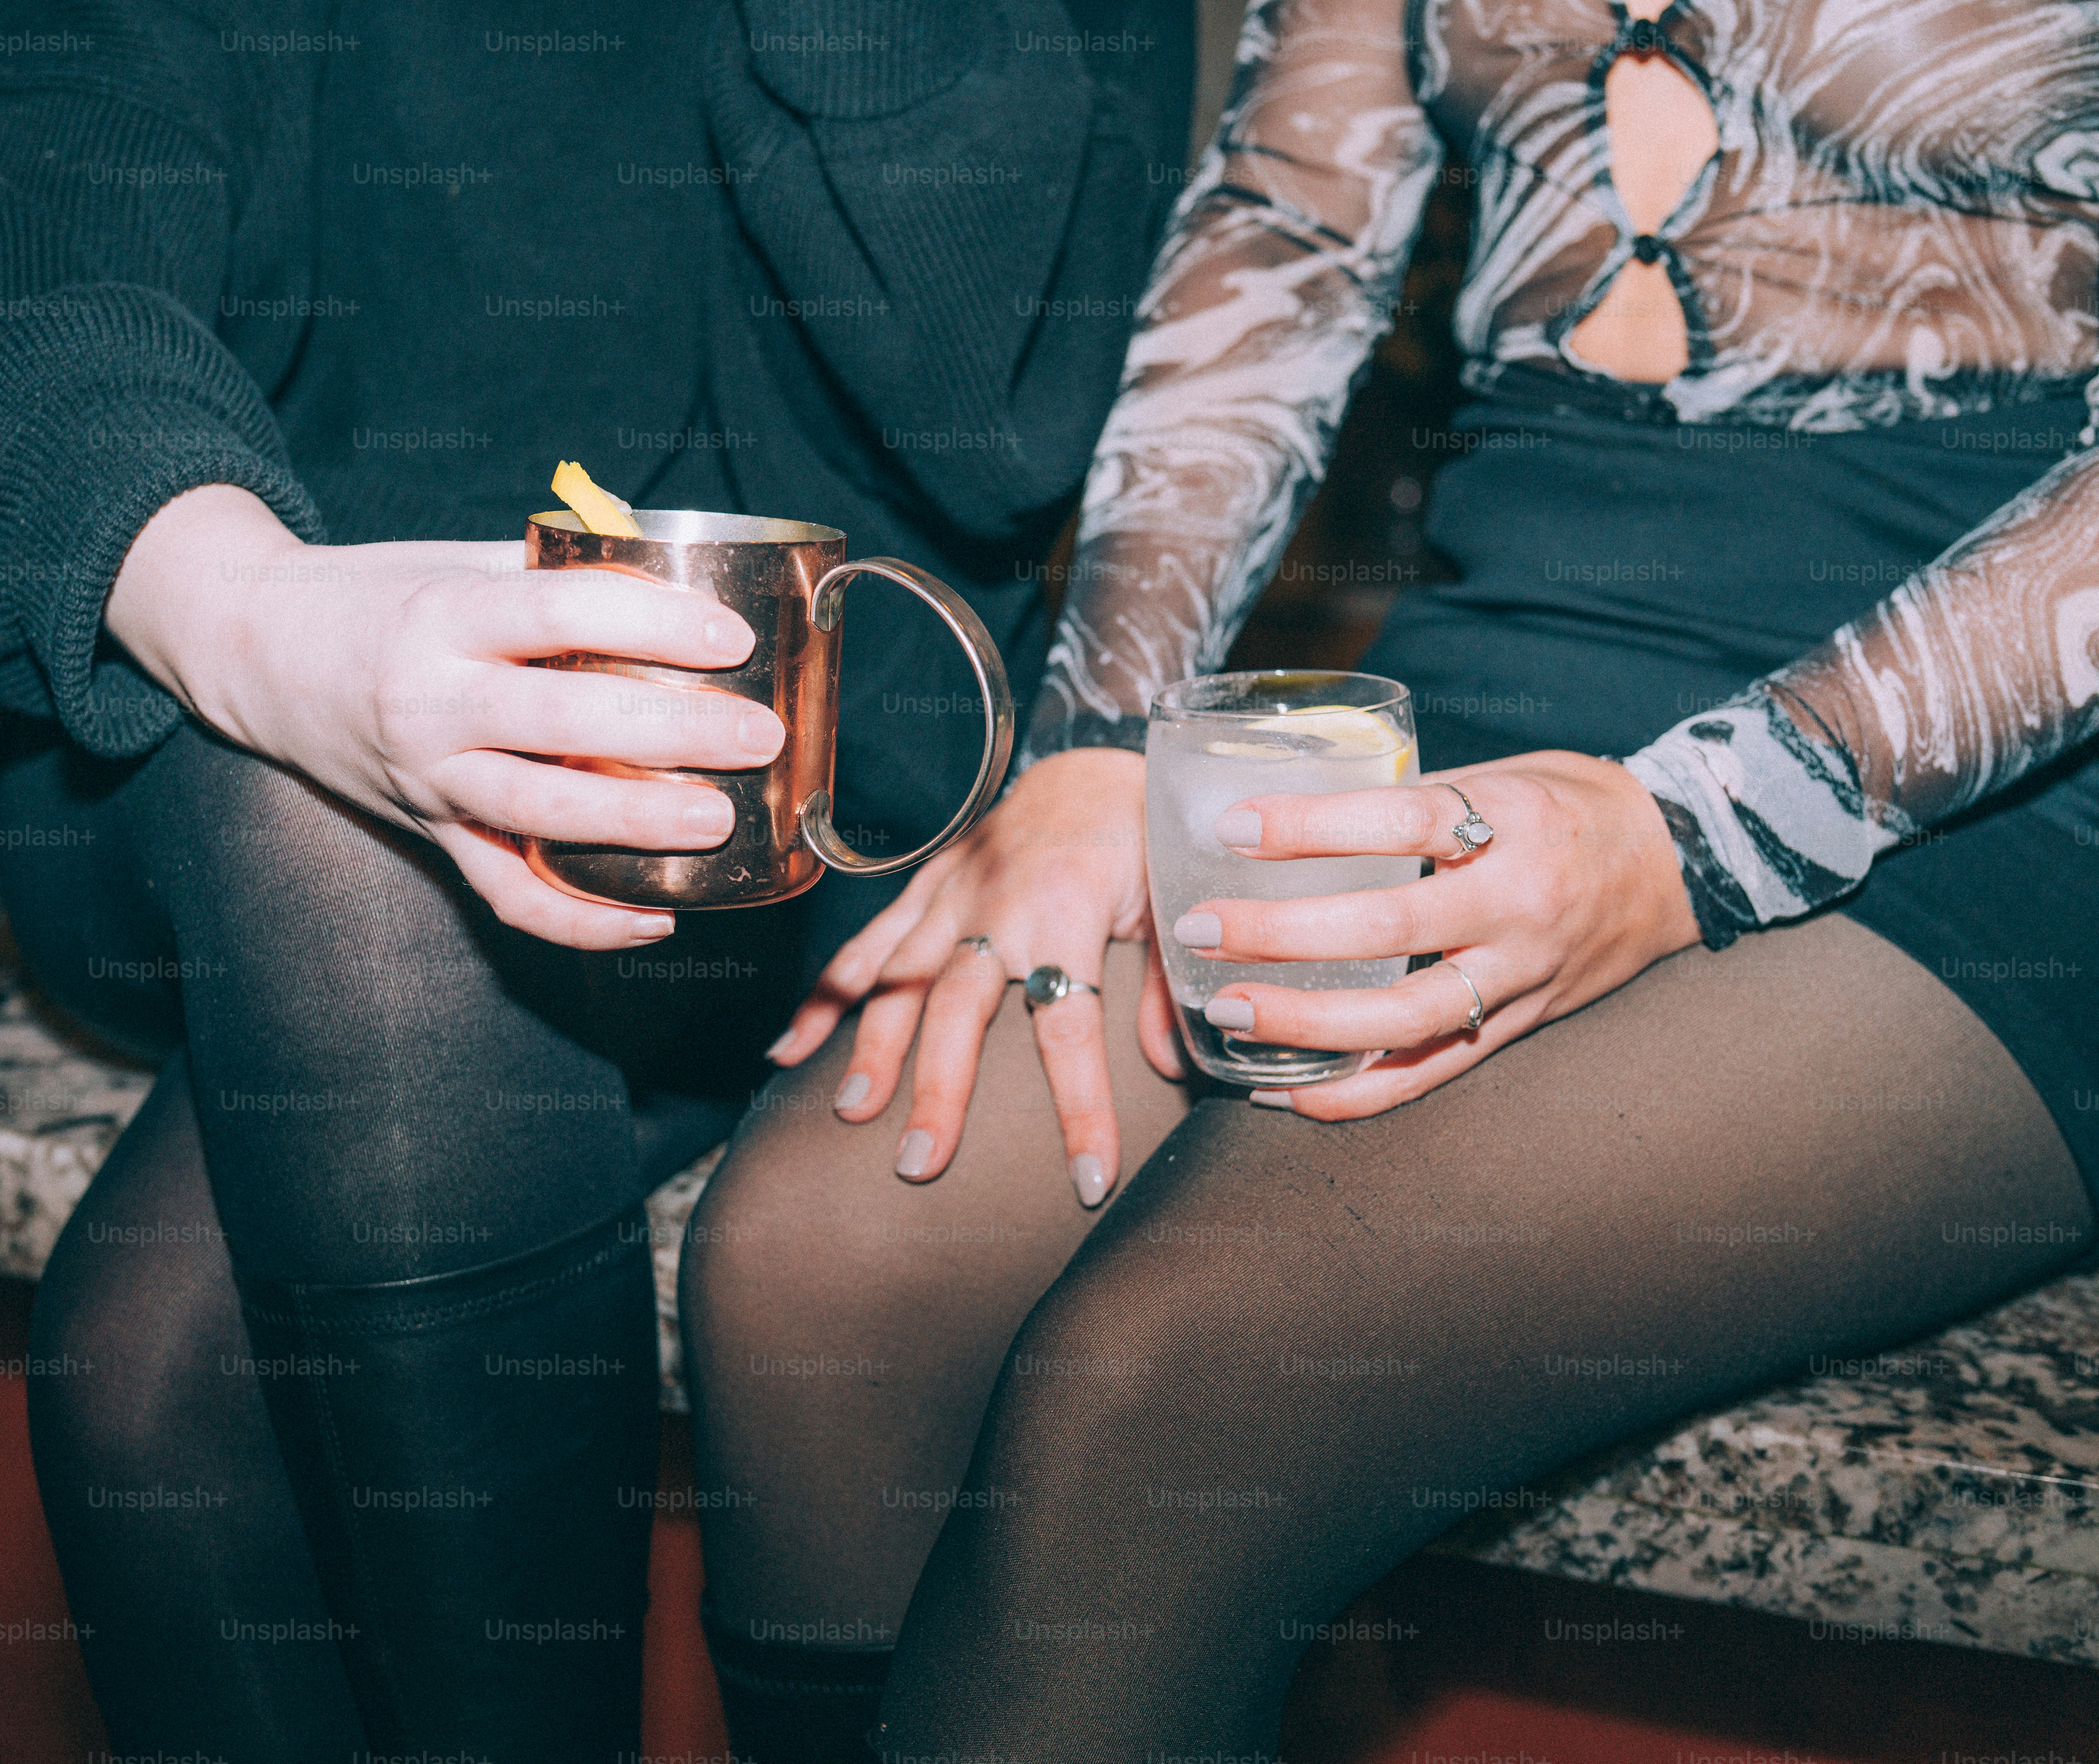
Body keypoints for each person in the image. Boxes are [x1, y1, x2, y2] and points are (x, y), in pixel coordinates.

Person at [678, 0, 2099, 1757]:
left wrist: (1703, 829)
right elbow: (1287, 219)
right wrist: (1104, 738)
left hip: (2008, 751)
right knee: (823, 1262)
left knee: (1174, 1383)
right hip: (1512, 646)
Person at [0, 1, 1191, 1758]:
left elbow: (1004, 417)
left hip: (795, 787)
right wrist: (296, 641)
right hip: (195, 713)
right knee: (344, 862)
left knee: (157, 1367)